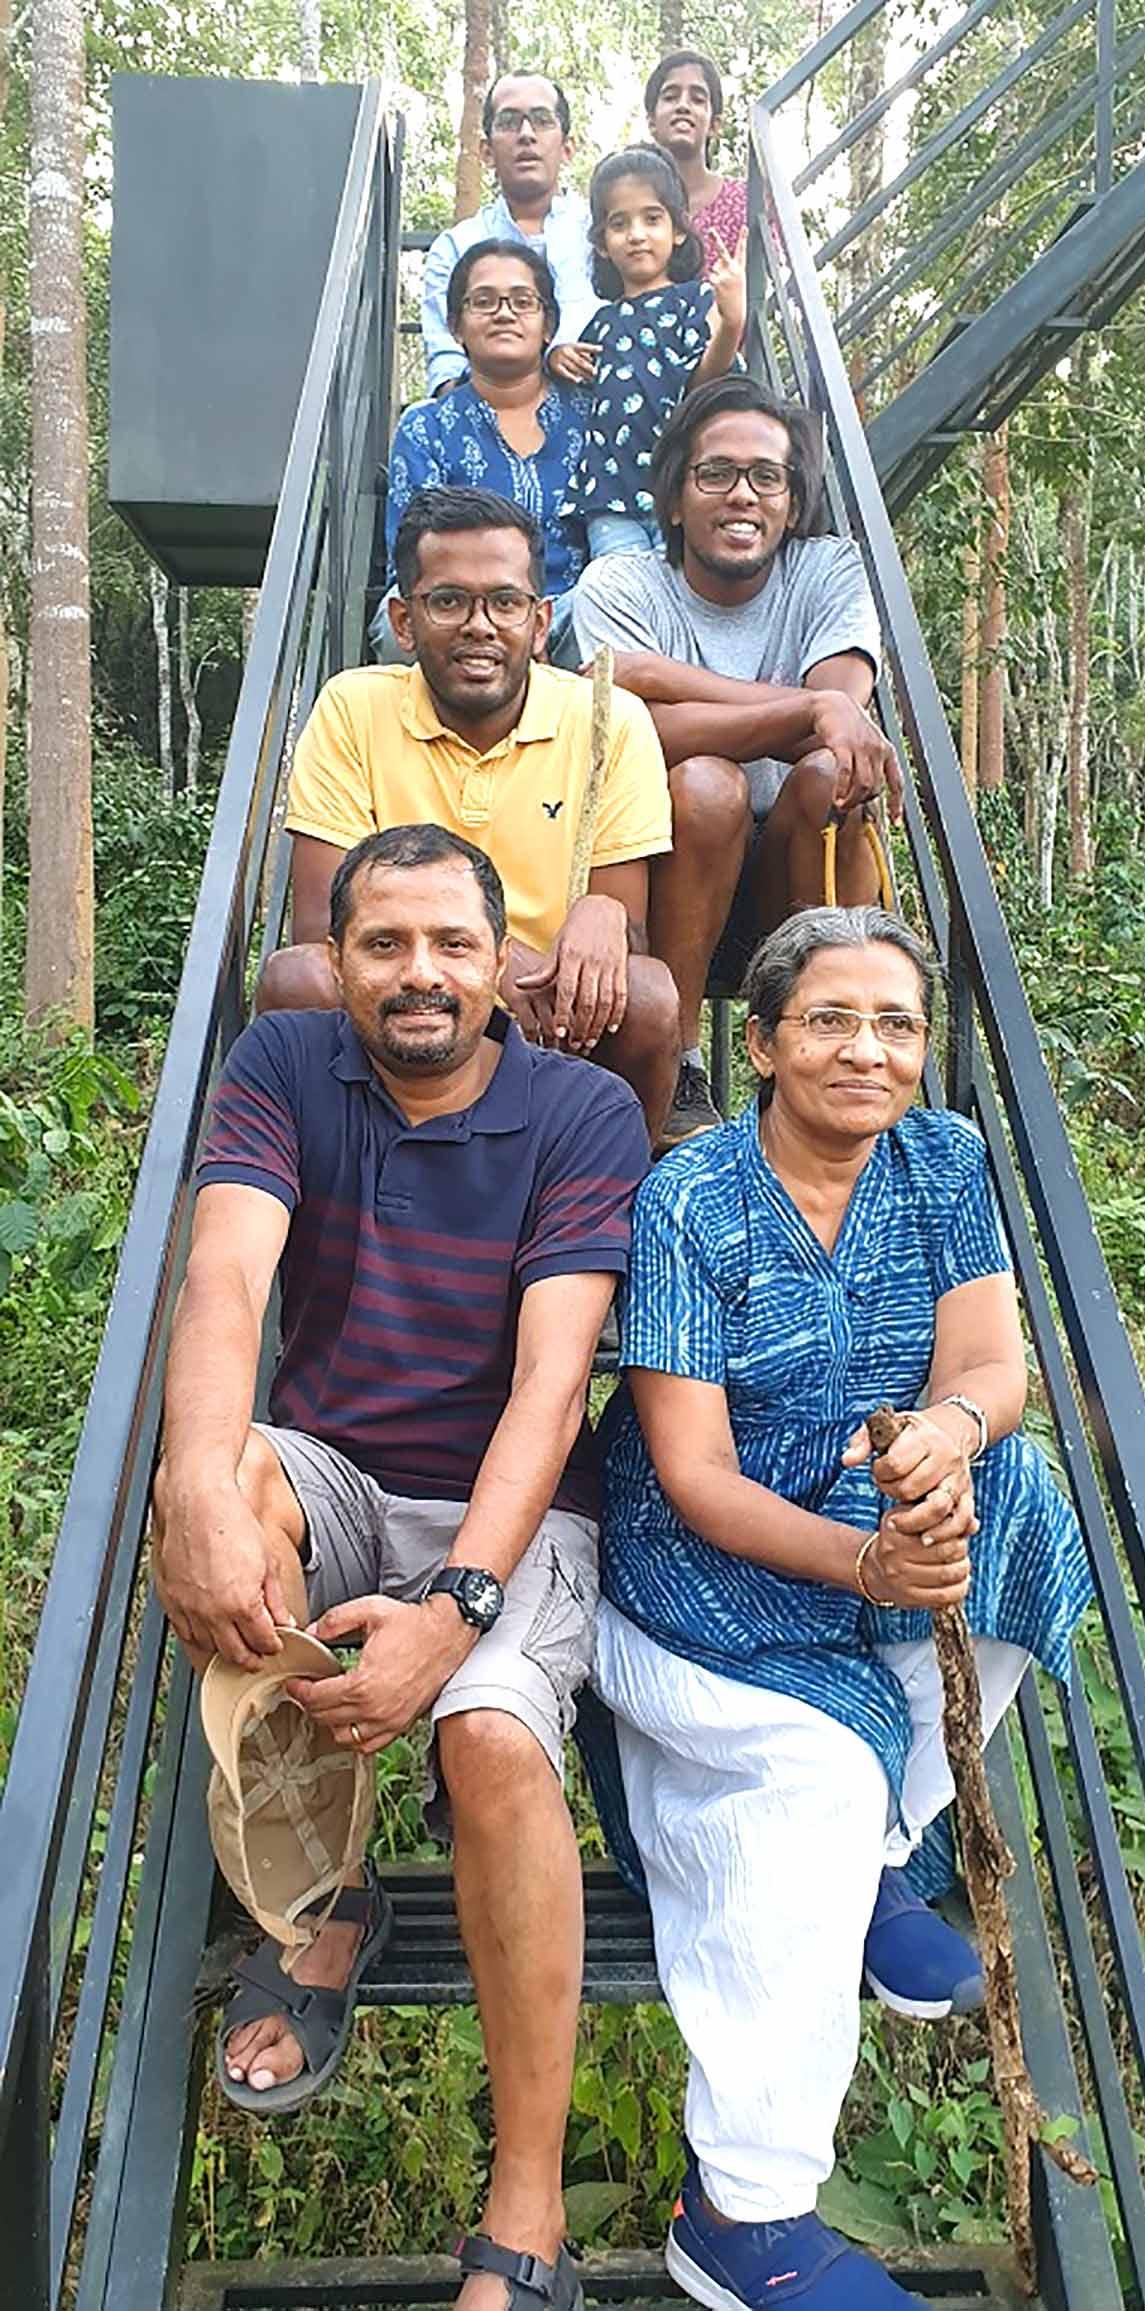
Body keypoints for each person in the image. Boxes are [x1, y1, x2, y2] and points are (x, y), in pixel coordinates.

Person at [153, 823, 650, 2311]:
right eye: (384, 943)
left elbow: (554, 1384)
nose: (420, 973)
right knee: (235, 1484)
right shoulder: (286, 1067)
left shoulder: (584, 1111)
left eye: (451, 943)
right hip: (345, 1471)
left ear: (506, 960)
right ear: (338, 961)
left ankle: (527, 2200)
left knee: (494, 1737)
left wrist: (460, 1609)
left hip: (517, 1502)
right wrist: (191, 1479)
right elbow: (229, 1274)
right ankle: (329, 1893)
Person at [590, 906, 1092, 2311]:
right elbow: (687, 1470)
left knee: (1027, 1505)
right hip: (704, 1572)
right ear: (757, 1042)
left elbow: (995, 1357)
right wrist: (868, 1567)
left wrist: (947, 1425)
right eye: (829, 1019)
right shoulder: (692, 1193)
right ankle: (743, 2209)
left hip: (858, 1501)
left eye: (897, 1024)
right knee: (802, 1776)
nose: (867, 1049)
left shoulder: (942, 1160)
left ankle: (886, 1846)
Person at [262, 488, 681, 1140]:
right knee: (297, 979)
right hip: (403, 994)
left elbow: (623, 940)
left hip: (550, 1017)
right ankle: (318, 1197)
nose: (479, 624)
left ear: (541, 625)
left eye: (506, 602)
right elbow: (327, 929)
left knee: (650, 994)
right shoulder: (352, 709)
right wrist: (493, 970)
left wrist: (606, 914)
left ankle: (611, 1207)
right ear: (403, 621)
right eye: (449, 600)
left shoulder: (607, 719)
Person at [573, 373, 900, 1145]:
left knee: (827, 781)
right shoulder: (619, 583)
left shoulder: (827, 570)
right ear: (677, 499)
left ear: (791, 501)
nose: (742, 495)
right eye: (715, 473)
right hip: (661, 871)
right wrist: (805, 707)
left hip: (796, 856)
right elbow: (628, 733)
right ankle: (683, 1067)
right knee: (705, 785)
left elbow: (839, 724)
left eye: (766, 477)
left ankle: (812, 1053)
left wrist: (663, 684)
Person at [375, 241, 588, 667]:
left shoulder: (593, 414)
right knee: (394, 624)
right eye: (484, 301)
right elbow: (412, 554)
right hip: (462, 609)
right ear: (456, 327)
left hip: (571, 611)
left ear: (549, 325)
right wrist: (501, 615)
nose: (504, 313)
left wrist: (538, 620)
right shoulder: (427, 427)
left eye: (523, 301)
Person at [560, 146, 745, 561]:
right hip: (609, 498)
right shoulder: (600, 323)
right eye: (619, 223)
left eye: (652, 218)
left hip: (680, 495)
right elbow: (576, 394)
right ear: (603, 243)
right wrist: (555, 359)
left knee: (678, 599)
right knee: (617, 597)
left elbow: (705, 382)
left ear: (678, 230)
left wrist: (731, 322)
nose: (637, 234)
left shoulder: (694, 300)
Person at [422, 73, 598, 398]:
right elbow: (446, 369)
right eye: (509, 122)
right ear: (486, 151)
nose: (526, 134)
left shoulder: (601, 235)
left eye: (542, 120)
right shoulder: (456, 248)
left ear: (568, 147)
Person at [645, 48, 748, 277]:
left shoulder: (745, 203)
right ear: (651, 121)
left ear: (715, 125)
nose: (683, 106)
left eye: (698, 99)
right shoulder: (627, 200)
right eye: (670, 97)